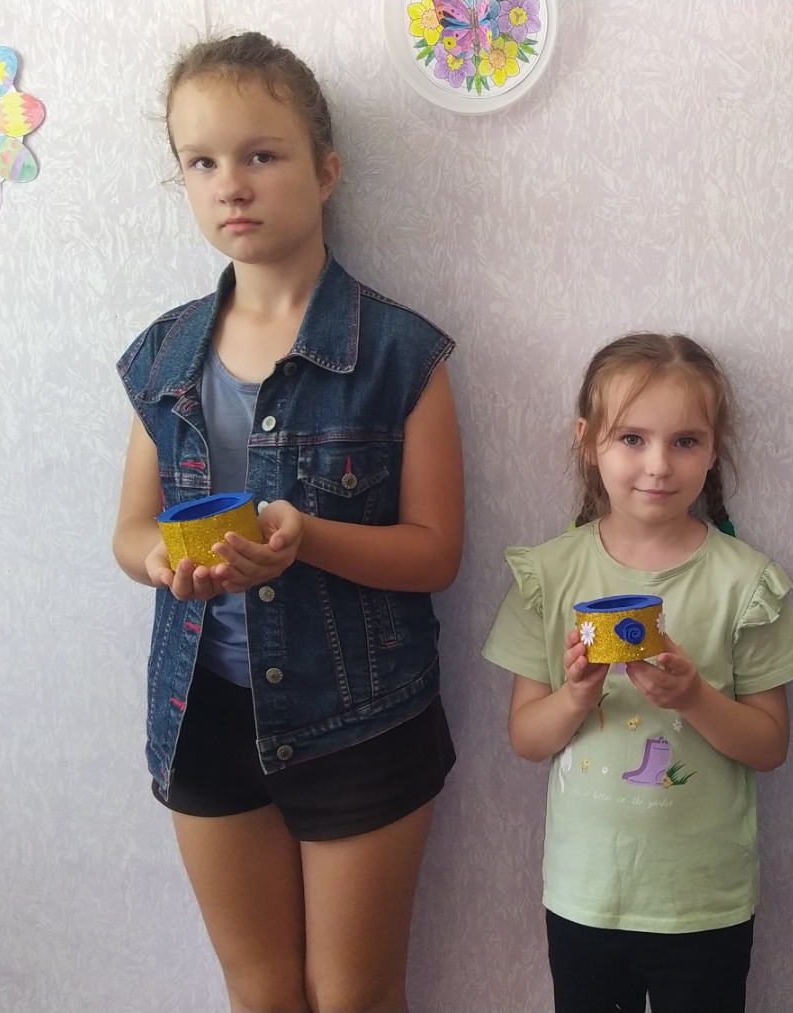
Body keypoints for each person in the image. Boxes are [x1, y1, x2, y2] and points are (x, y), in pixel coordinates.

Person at [110, 32, 462, 1013]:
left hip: (361, 715)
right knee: (260, 990)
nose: (231, 184)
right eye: (201, 162)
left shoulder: (401, 352)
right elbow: (131, 531)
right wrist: (164, 562)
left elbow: (437, 552)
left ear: (326, 171)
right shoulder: (162, 356)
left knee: (354, 994)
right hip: (202, 709)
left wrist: (307, 537)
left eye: (261, 154)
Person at [482, 333, 793, 1013]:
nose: (658, 465)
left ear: (714, 448)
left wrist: (694, 697)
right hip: (584, 894)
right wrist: (575, 695)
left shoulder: (746, 582)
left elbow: (770, 745)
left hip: (703, 901)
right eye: (631, 438)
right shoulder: (548, 575)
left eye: (685, 441)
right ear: (588, 441)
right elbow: (526, 738)